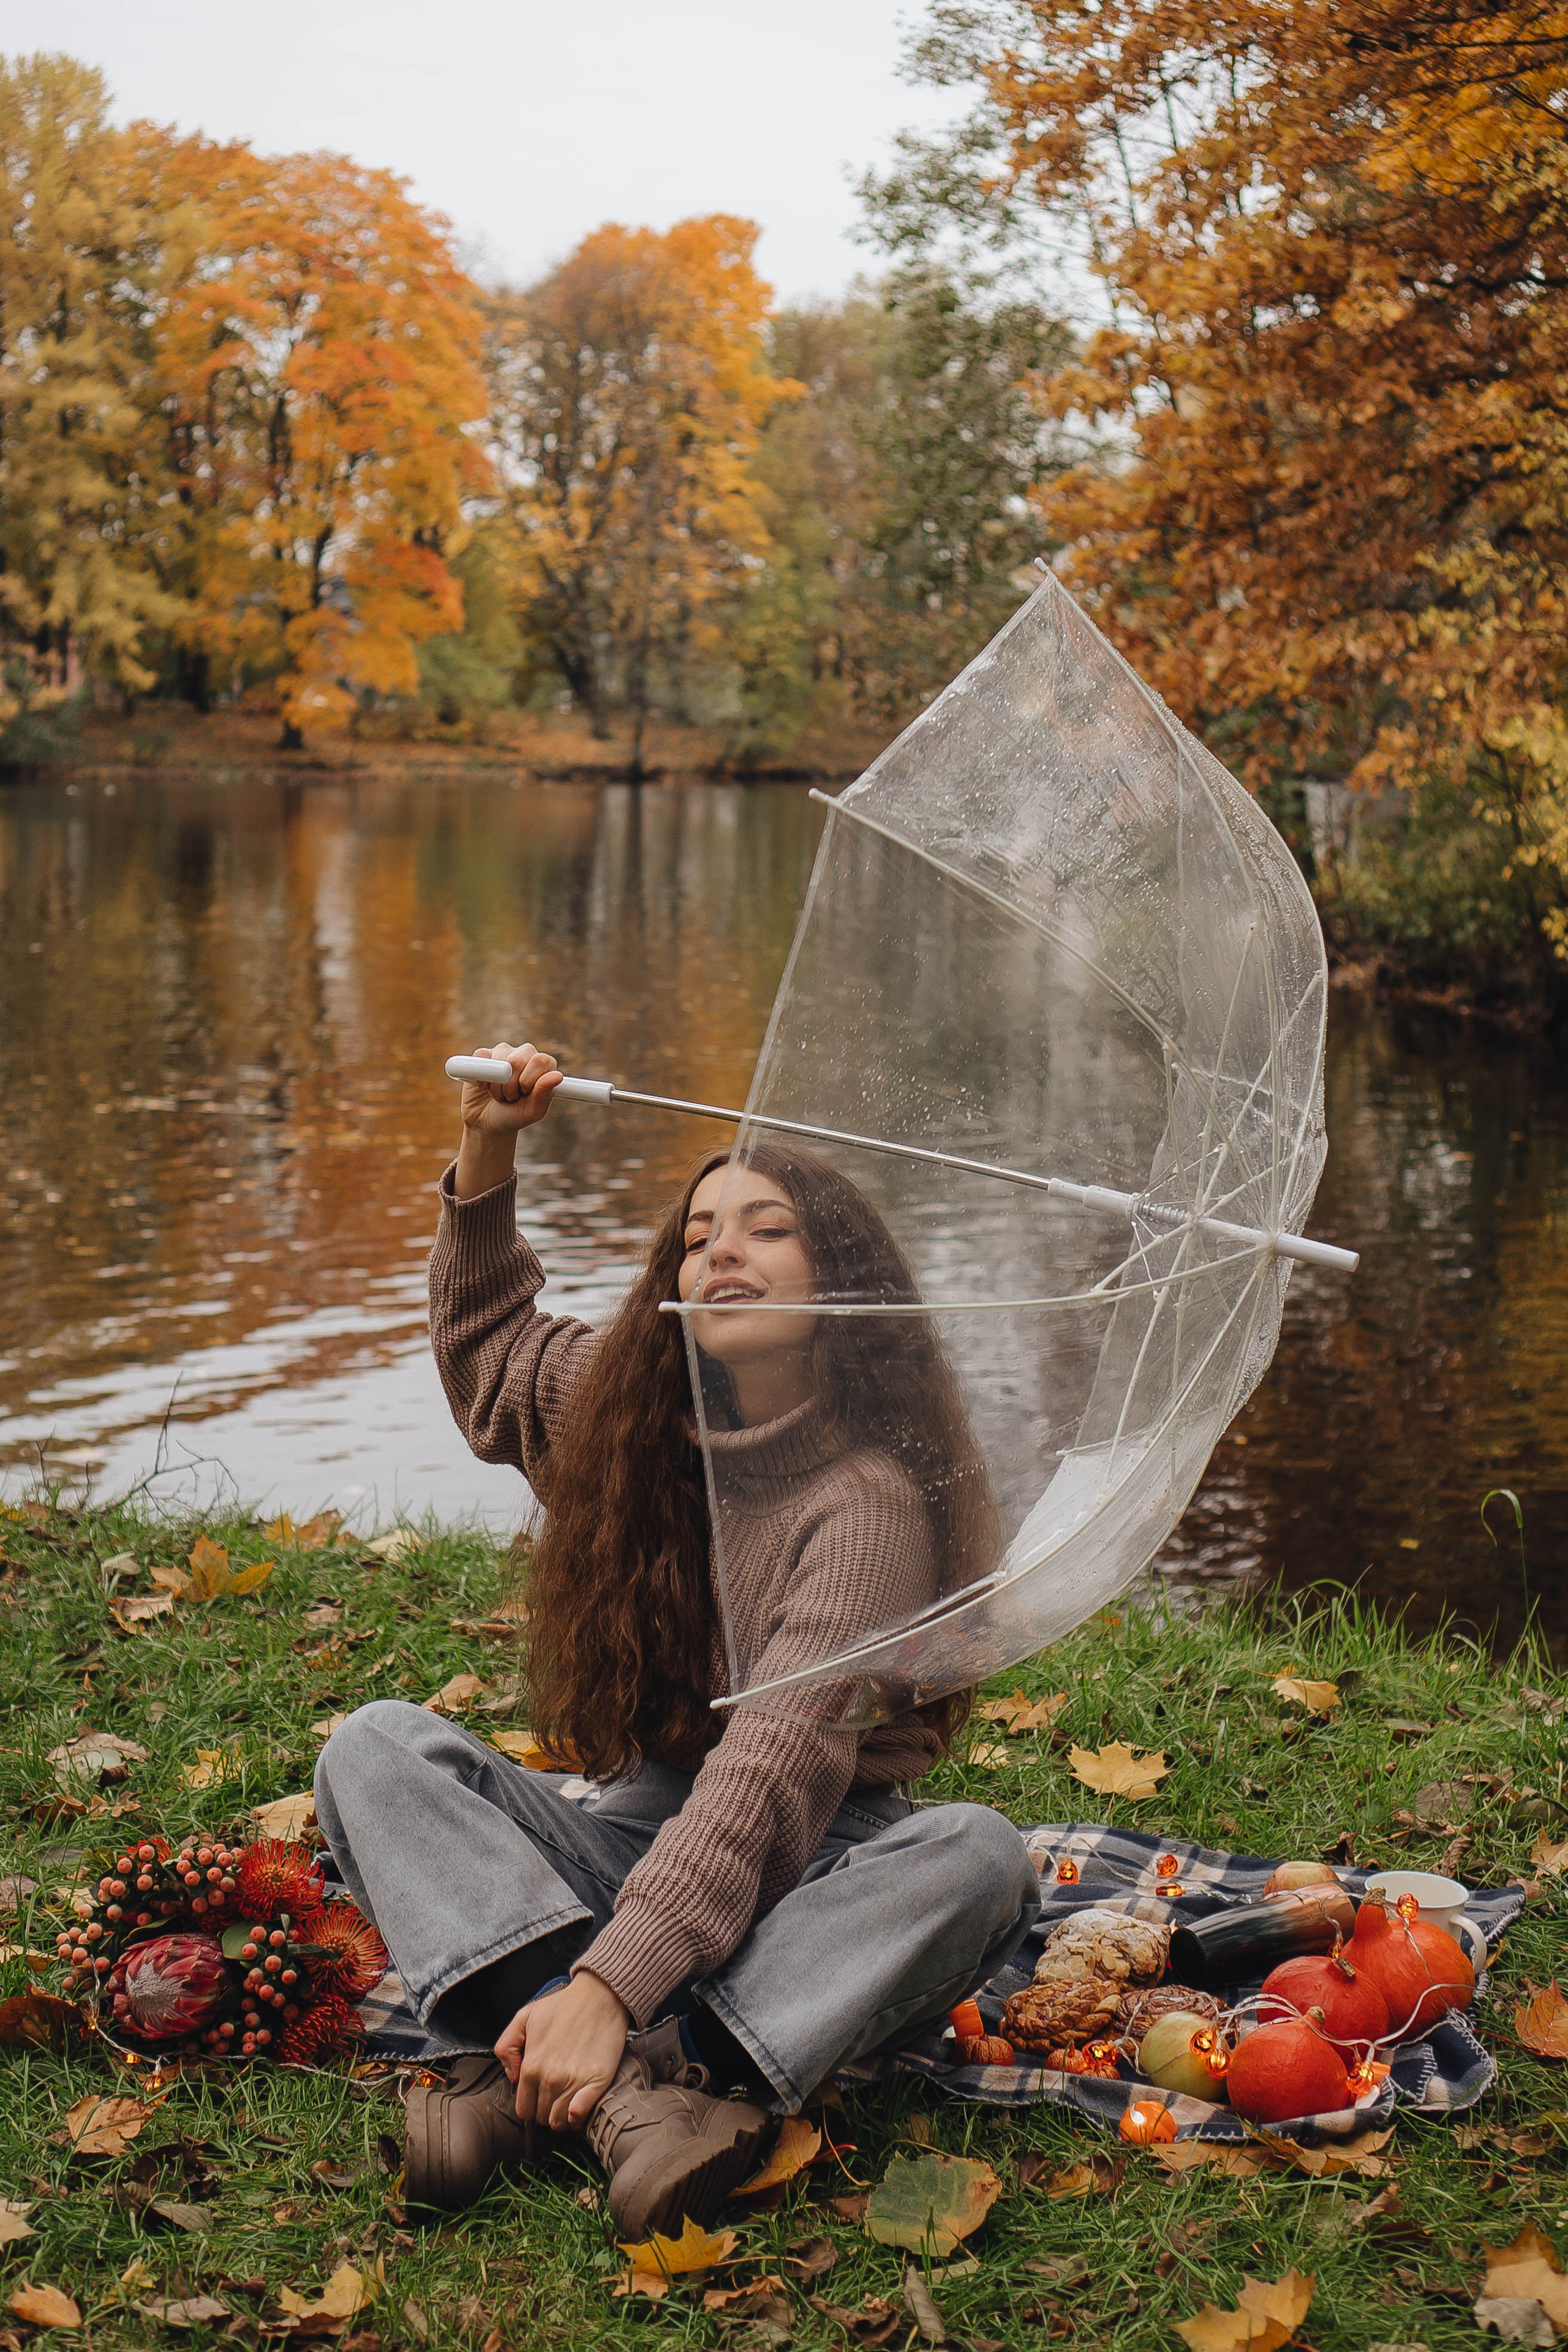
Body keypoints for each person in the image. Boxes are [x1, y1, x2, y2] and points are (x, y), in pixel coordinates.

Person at [315, 1042, 1039, 2233]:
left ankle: (615, 2055)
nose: (721, 1253)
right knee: (375, 1748)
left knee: (973, 1857)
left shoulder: (867, 1507)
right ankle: (631, 2095)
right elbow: (489, 1350)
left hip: (811, 1873)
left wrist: (609, 1983)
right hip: (625, 1843)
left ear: (841, 1280)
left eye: (765, 1230)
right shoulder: (629, 1414)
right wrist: (487, 1145)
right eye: (699, 1235)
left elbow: (766, 1777)